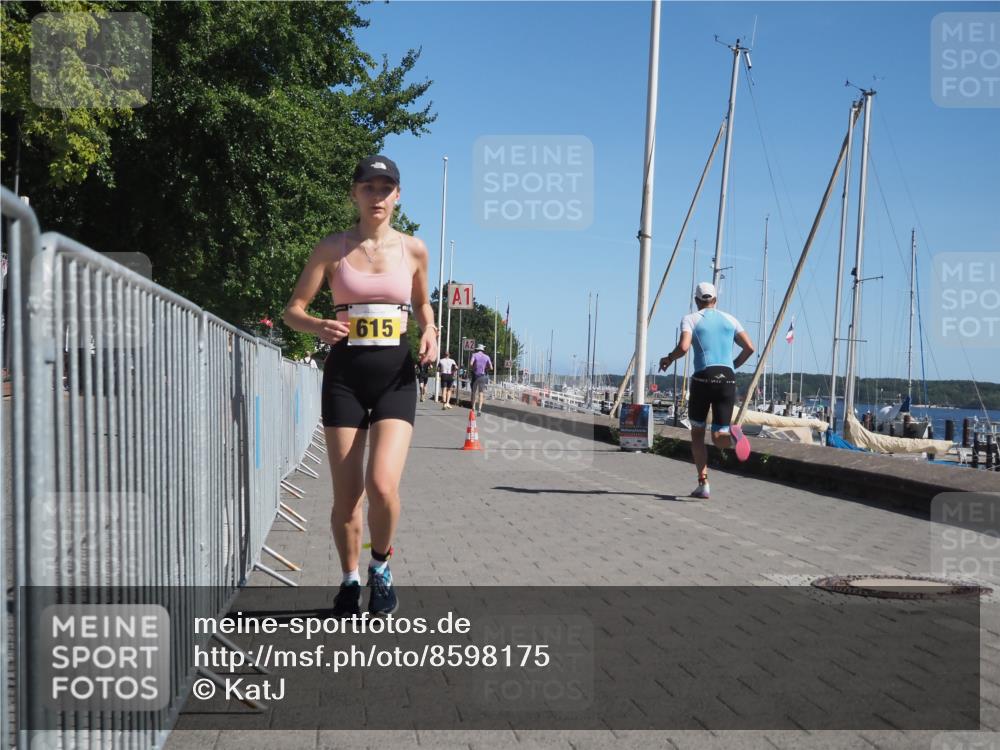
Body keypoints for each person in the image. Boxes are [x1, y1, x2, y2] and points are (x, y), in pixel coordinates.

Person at [283, 155, 438, 616]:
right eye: (368, 187)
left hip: (395, 377)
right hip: (345, 377)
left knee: (382, 486)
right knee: (347, 497)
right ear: (354, 193)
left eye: (386, 187)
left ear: (398, 195)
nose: (377, 196)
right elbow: (294, 309)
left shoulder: (414, 249)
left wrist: (429, 329)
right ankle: (350, 580)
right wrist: (316, 327)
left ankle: (381, 568)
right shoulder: (333, 248)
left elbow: (423, 304)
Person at [658, 282, 754, 500]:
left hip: (703, 378)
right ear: (715, 300)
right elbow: (750, 347)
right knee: (719, 434)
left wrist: (668, 358)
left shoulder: (691, 318)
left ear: (696, 301)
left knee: (698, 433)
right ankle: (733, 436)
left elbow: (683, 347)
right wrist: (732, 366)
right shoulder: (731, 319)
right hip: (727, 379)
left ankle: (703, 484)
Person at [469, 343, 493, 415]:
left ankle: (473, 407)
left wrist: (474, 367)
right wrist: (486, 367)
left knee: (473, 392)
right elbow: (491, 368)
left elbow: (471, 364)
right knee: (481, 393)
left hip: (475, 375)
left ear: (477, 349)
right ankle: (479, 410)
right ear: (483, 350)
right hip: (483, 376)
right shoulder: (487, 357)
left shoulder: (474, 355)